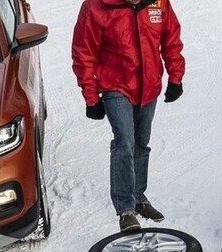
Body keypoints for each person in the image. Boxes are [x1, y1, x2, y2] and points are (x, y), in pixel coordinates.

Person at [72, 0, 185, 231]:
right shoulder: (96, 6)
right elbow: (84, 52)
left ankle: (139, 197)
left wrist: (176, 77)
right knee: (125, 141)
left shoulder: (159, 3)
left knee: (141, 143)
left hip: (149, 85)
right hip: (116, 85)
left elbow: (170, 38)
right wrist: (91, 97)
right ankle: (125, 208)